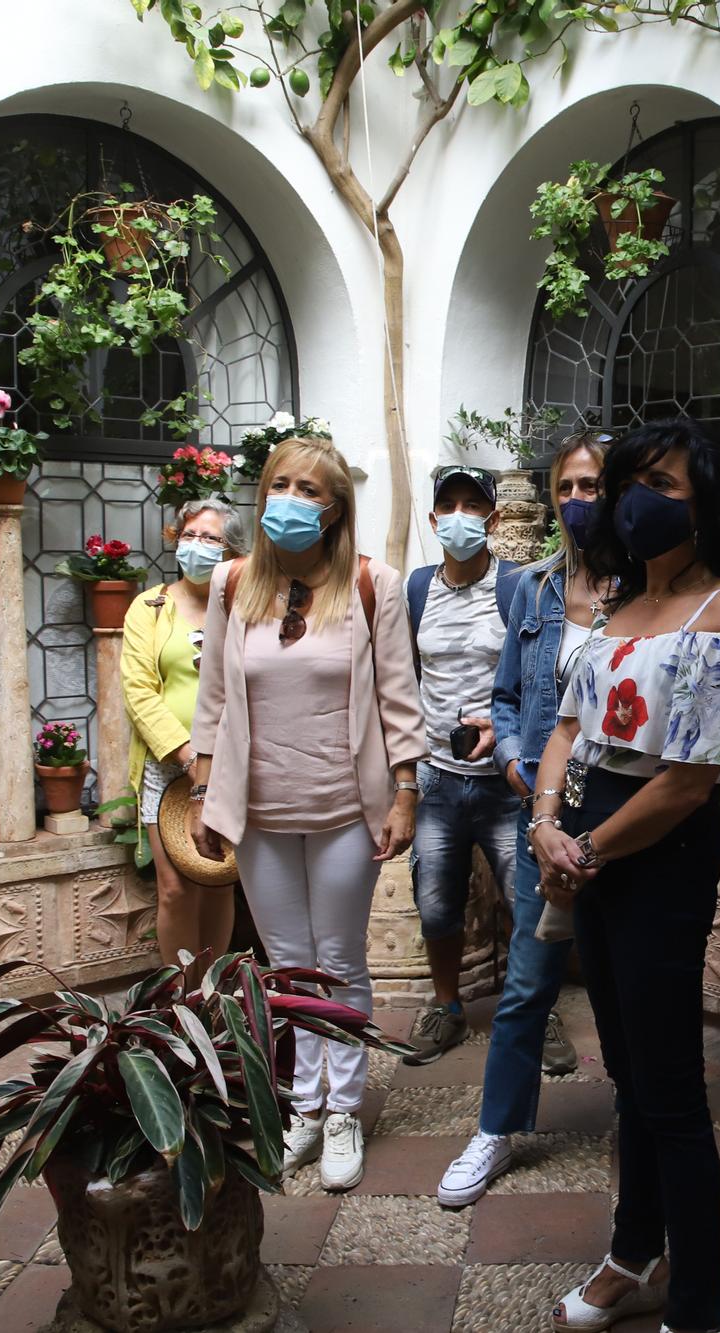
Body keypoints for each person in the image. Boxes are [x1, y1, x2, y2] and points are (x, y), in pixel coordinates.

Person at [527, 416, 720, 1333]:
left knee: (671, 1087)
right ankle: (632, 1252)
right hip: (586, 848)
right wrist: (546, 821)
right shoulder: (612, 604)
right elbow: (566, 726)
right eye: (628, 480)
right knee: (629, 1074)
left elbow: (689, 780)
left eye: (663, 486)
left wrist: (587, 852)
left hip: (656, 856)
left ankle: (700, 1302)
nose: (635, 499)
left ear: (705, 503)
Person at [188, 434, 426, 1193]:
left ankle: (345, 1108)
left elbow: (398, 693)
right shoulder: (232, 584)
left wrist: (406, 791)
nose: (292, 499)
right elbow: (214, 700)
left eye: (311, 490)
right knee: (287, 965)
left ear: (335, 508)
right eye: (280, 484)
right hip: (258, 810)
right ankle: (304, 1107)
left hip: (343, 810)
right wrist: (203, 793)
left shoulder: (370, 584)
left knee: (340, 960)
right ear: (262, 495)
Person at [438, 432, 607, 1208]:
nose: (579, 500)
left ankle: (647, 1126)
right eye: (566, 487)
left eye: (593, 485)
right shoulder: (535, 589)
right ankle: (495, 1129)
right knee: (525, 985)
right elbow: (507, 697)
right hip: (541, 816)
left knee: (626, 984)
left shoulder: (650, 590)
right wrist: (513, 766)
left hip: (626, 816)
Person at [399, 464, 526, 1066]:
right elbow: (402, 681)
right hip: (436, 779)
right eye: (447, 504)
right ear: (432, 519)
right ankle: (447, 1007)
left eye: (471, 505)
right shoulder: (416, 589)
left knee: (526, 902)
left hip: (505, 779)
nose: (458, 515)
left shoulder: (518, 588)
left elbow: (539, 681)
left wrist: (509, 736)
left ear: (492, 518)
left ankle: (536, 1012)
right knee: (437, 903)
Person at [121, 495, 244, 970]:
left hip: (230, 765)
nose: (198, 546)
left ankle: (216, 995)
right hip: (165, 766)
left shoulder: (243, 608)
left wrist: (216, 762)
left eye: (211, 538)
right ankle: (183, 999)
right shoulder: (147, 608)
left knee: (217, 878)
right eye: (190, 535)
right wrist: (191, 758)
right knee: (174, 887)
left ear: (231, 550)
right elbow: (138, 692)